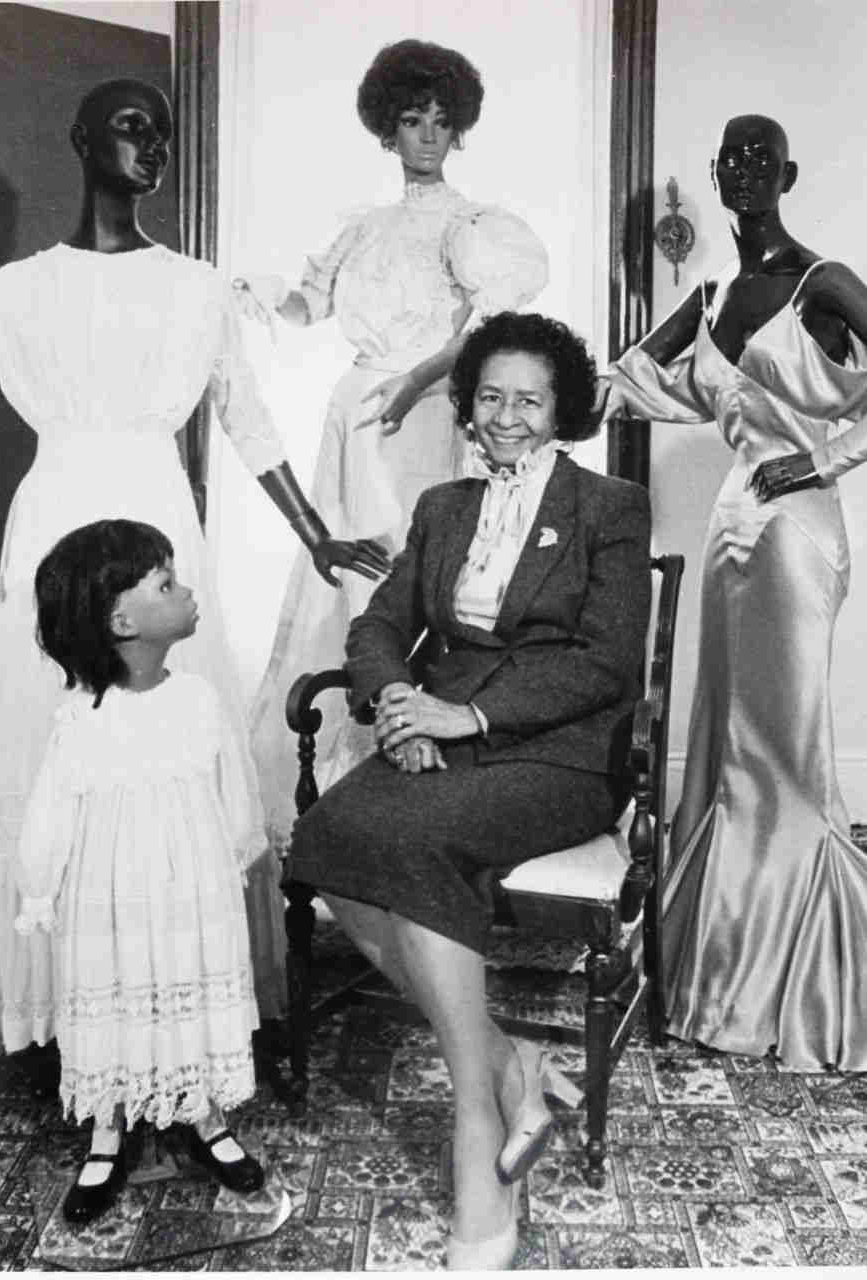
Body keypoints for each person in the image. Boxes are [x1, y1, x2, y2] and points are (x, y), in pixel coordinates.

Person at [0, 79, 388, 1062]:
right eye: (129, 126)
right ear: (79, 139)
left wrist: (317, 531)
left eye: (161, 131)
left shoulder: (197, 287)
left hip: (157, 519)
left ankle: (169, 998)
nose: (152, 145)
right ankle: (61, 1004)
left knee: (169, 745)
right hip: (55, 520)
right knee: (56, 747)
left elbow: (247, 418)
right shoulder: (17, 290)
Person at [286, 312, 651, 1269]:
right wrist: (395, 695)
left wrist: (471, 719)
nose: (508, 417)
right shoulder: (443, 507)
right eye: (490, 396)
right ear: (468, 404)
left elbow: (606, 666)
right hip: (435, 728)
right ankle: (505, 1061)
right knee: (328, 841)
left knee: (412, 846)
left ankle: (475, 1136)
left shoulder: (611, 506)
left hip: (559, 752)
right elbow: (379, 623)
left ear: (562, 407)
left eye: (530, 399)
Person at [602, 114, 867, 1071]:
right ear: (714, 176)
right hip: (728, 526)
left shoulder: (825, 282)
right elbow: (631, 374)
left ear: (789, 172)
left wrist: (824, 459)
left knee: (785, 740)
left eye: (763, 157)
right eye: (732, 158)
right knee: (721, 734)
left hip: (799, 530)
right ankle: (713, 955)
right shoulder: (709, 292)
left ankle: (803, 962)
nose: (747, 170)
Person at [242, 39, 550, 856]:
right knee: (348, 570)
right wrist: (253, 294)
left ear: (459, 132)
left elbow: (485, 330)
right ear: (387, 129)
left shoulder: (473, 228)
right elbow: (308, 305)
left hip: (419, 414)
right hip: (355, 416)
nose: (426, 137)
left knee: (411, 563)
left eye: (440, 123)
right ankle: (342, 786)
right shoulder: (362, 229)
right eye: (412, 121)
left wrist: (416, 385)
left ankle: (413, 754)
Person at [14, 519, 277, 1225]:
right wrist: (39, 890)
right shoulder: (81, 722)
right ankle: (107, 1131)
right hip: (111, 901)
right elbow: (48, 816)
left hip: (194, 891)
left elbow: (235, 785)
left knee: (193, 986)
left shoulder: (199, 701)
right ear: (122, 620)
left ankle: (208, 1118)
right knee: (120, 993)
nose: (187, 591)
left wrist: (242, 854)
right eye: (167, 584)